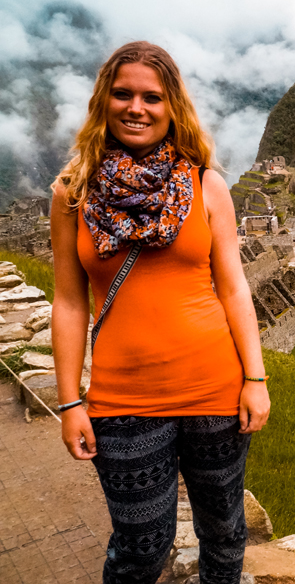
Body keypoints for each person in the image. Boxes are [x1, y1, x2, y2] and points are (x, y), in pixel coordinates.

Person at [51, 41, 270, 584]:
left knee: (223, 532)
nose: (136, 108)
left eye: (152, 97)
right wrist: (69, 401)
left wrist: (256, 378)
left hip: (215, 391)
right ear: (104, 100)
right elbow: (69, 301)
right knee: (141, 550)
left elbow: (234, 288)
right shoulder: (73, 194)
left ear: (172, 107)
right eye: (122, 94)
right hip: (123, 400)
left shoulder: (204, 184)